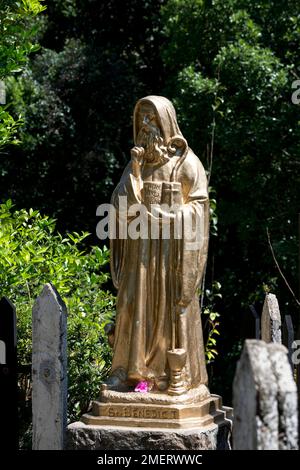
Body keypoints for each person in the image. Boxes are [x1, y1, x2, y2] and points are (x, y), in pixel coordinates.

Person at [106, 96, 209, 394]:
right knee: (128, 306)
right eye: (141, 120)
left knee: (167, 310)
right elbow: (119, 206)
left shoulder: (186, 164)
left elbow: (200, 210)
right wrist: (135, 172)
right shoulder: (135, 163)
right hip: (138, 252)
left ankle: (171, 375)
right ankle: (125, 369)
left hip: (170, 257)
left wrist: (168, 215)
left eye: (152, 119)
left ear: (166, 123)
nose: (145, 126)